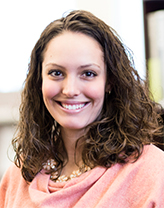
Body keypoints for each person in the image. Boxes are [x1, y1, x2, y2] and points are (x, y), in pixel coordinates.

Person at [0, 10, 164, 208]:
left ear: (110, 81)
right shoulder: (18, 175)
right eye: (56, 72)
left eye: (88, 73)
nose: (70, 90)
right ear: (39, 81)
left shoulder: (152, 171)